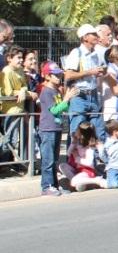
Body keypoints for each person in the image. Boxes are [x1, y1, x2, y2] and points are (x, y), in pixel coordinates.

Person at [37, 63, 78, 196]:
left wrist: (67, 98)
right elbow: (54, 110)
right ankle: (46, 186)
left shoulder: (56, 91)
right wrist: (66, 98)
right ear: (47, 76)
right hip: (48, 129)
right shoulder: (46, 92)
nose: (59, 77)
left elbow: (63, 108)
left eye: (60, 74)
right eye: (56, 75)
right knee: (48, 159)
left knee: (54, 159)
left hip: (56, 127)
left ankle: (54, 185)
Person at [63, 24, 108, 144]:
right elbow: (68, 75)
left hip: (93, 95)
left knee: (98, 131)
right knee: (77, 132)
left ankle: (94, 160)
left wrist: (99, 73)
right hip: (79, 97)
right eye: (93, 34)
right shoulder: (76, 53)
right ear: (85, 37)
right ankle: (72, 161)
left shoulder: (96, 54)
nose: (96, 36)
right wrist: (89, 72)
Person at [59, 122, 107, 192]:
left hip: (87, 170)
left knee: (73, 182)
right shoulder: (77, 142)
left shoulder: (90, 146)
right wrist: (73, 143)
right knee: (62, 166)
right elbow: (68, 154)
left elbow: (89, 163)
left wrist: (77, 158)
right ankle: (81, 182)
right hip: (76, 169)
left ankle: (97, 180)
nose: (76, 132)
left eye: (78, 131)